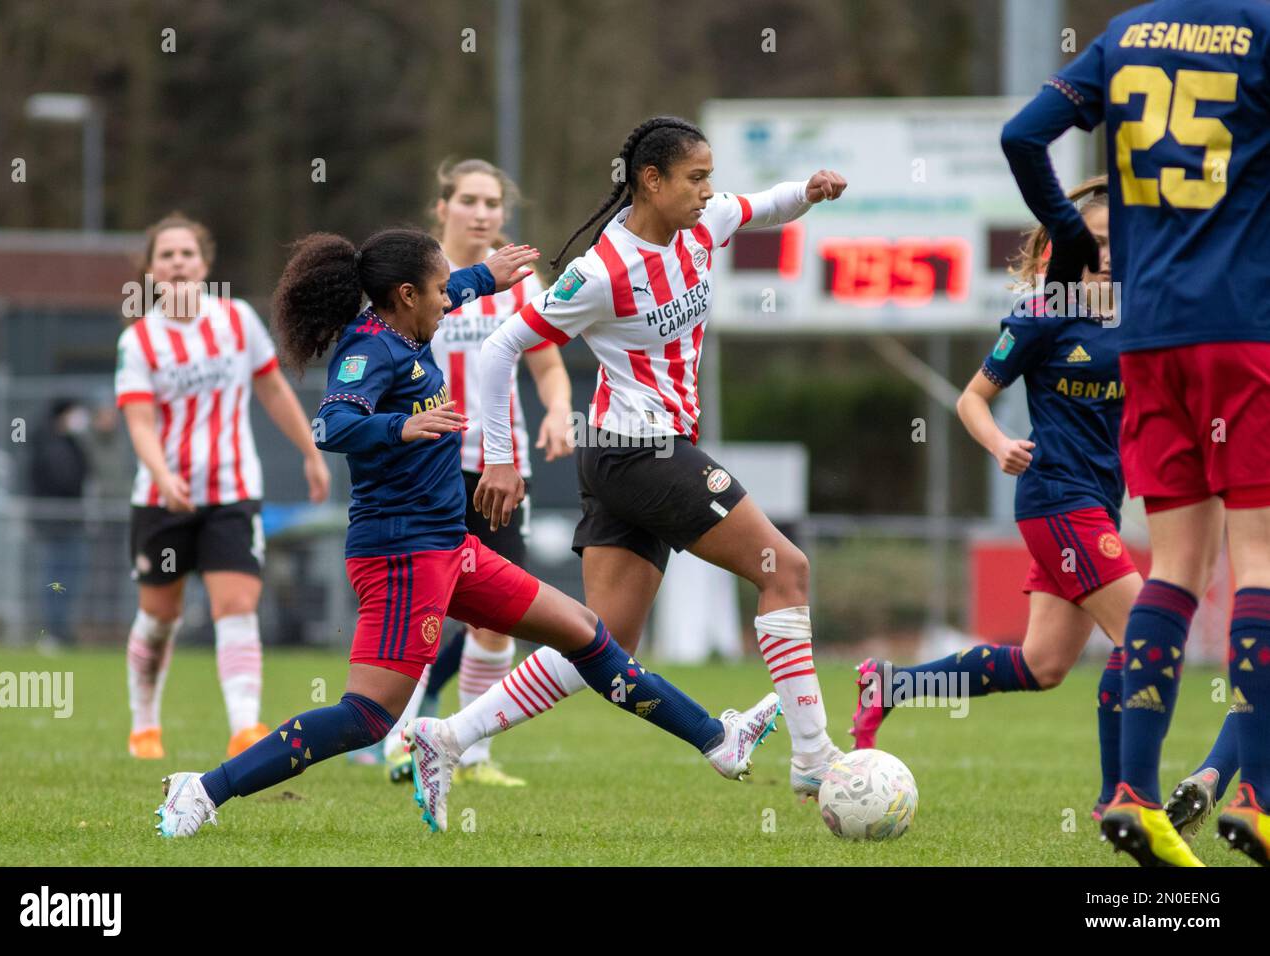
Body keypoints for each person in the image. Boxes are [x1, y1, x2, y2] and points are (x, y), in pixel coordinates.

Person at [153, 227, 779, 837]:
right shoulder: (371, 349)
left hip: (450, 548)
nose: (448, 297)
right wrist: (400, 428)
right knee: (366, 717)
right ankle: (203, 789)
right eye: (440, 288)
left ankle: (717, 741)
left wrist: (489, 276)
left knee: (589, 635)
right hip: (401, 557)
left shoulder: (410, 321)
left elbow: (454, 291)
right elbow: (332, 425)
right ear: (405, 295)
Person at [438, 115, 849, 803]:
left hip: (628, 457)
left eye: (710, 176)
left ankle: (447, 737)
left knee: (600, 641)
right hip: (642, 453)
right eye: (695, 178)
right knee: (788, 568)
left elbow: (764, 206)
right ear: (650, 182)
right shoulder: (599, 272)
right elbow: (497, 347)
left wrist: (807, 190)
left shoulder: (705, 221)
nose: (708, 190)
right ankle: (813, 755)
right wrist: (502, 460)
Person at [1002, 0, 1270, 866]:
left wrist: (1072, 233)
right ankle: (1260, 799)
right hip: (1244, 331)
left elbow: (1021, 135)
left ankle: (1134, 793)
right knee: (1260, 565)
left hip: (1150, 337)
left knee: (1179, 569)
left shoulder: (1126, 34)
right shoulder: (1260, 28)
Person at [851, 177, 1138, 820]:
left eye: (1119, 243)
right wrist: (999, 444)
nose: (1110, 257)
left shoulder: (1141, 314)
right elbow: (970, 398)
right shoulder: (1042, 316)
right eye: (1094, 244)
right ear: (1062, 252)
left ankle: (893, 685)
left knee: (1043, 666)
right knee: (1143, 636)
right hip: (1057, 501)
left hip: (1098, 504)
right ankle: (1119, 798)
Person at [379, 158, 574, 788]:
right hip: (424, 468)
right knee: (420, 609)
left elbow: (545, 363)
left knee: (498, 615)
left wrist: (560, 412)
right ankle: (400, 745)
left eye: (493, 202)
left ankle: (469, 750)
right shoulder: (414, 278)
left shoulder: (522, 280)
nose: (483, 212)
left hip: (498, 470)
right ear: (442, 207)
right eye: (469, 200)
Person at [115, 214, 332, 760]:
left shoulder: (236, 320)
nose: (178, 263)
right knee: (160, 616)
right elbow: (139, 422)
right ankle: (144, 726)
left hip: (232, 494)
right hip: (162, 501)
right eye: (166, 255)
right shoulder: (139, 339)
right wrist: (163, 476)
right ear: (150, 271)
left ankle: (244, 727)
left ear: (204, 264)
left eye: (187, 253)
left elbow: (274, 390)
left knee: (236, 606)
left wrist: (311, 451)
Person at [29, 398, 91, 649]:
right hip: (57, 524)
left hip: (71, 523)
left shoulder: (70, 443)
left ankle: (61, 630)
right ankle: (53, 632)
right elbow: (62, 480)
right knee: (56, 579)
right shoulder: (49, 444)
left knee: (68, 579)